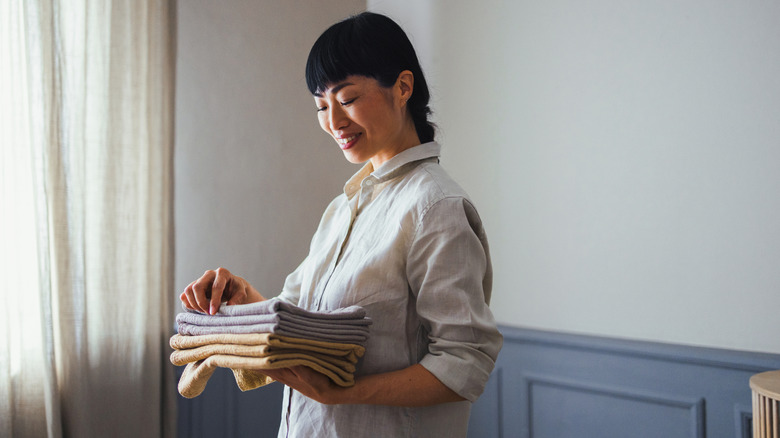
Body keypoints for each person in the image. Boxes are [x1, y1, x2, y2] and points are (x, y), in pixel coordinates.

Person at [180, 11, 503, 438]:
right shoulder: (344, 208)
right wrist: (244, 302)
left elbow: (465, 362)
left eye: (347, 99)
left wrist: (342, 393)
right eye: (321, 106)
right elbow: (302, 323)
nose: (333, 122)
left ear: (402, 87)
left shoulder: (435, 207)